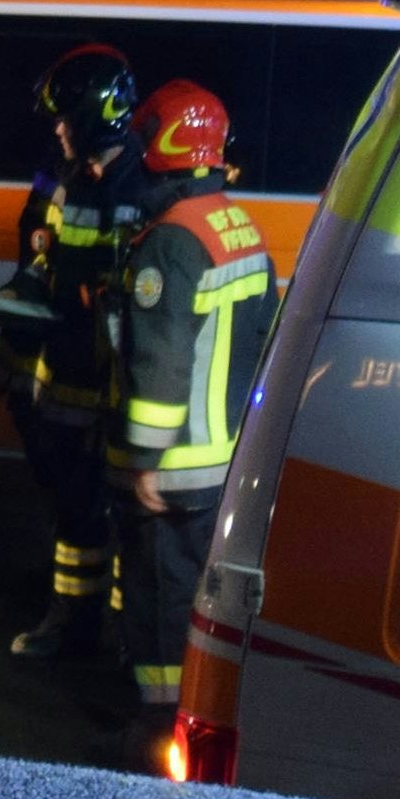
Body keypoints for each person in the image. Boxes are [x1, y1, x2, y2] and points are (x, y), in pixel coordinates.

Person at [103, 82, 275, 724]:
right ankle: (194, 711)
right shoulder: (240, 226)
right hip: (223, 458)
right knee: (201, 596)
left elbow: (162, 360)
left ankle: (159, 726)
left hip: (174, 466)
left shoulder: (170, 241)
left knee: (161, 601)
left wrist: (145, 459)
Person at [1, 44, 138, 659]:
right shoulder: (66, 179)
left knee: (124, 515)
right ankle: (72, 622)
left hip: (120, 385)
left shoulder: (144, 188)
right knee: (73, 503)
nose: (57, 130)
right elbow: (42, 256)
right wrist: (24, 288)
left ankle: (126, 640)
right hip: (68, 374)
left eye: (65, 119)